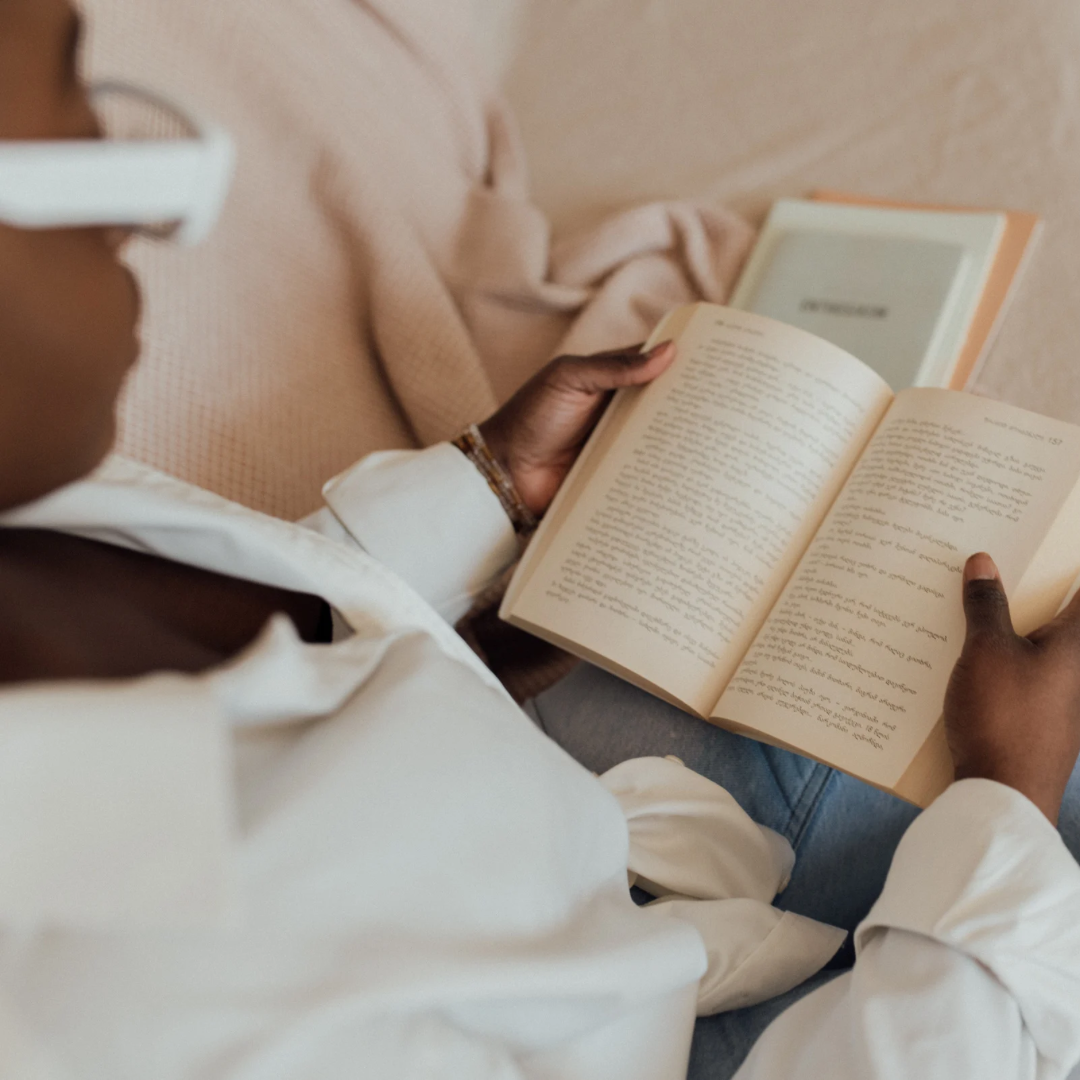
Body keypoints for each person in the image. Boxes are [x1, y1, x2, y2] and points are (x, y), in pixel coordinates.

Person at [2, 2, 1080, 1078]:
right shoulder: (109, 995)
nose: (140, 217)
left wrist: (481, 495)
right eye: (76, 133)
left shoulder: (36, 517)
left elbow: (262, 667)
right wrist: (1009, 799)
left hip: (518, 766)